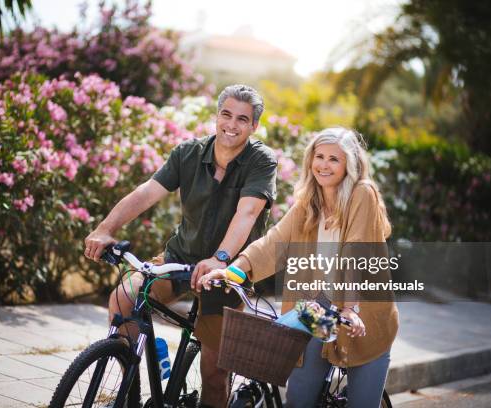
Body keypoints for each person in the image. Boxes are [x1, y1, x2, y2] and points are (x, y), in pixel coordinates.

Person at [84, 84, 277, 408]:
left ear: (253, 126)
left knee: (215, 375)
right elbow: (147, 192)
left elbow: (247, 212)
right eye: (226, 114)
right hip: (179, 259)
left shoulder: (260, 161)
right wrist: (106, 229)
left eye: (242, 119)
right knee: (124, 297)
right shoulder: (187, 153)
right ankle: (127, 386)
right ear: (216, 116)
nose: (231, 124)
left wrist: (220, 259)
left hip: (225, 275)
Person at [198, 127, 399, 407]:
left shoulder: (362, 194)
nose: (324, 165)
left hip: (364, 314)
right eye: (319, 156)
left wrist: (351, 309)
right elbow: (273, 242)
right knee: (298, 399)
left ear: (349, 165)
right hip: (317, 309)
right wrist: (233, 271)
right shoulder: (308, 202)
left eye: (334, 159)